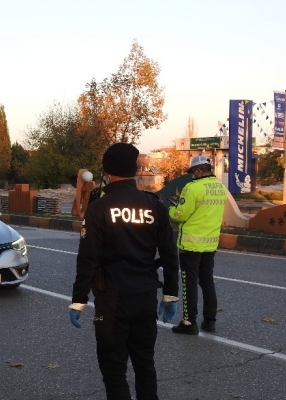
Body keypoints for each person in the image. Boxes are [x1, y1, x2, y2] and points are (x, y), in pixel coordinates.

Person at [68, 143, 180, 400]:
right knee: (145, 365)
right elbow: (169, 254)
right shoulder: (154, 206)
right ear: (135, 171)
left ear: (106, 172)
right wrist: (171, 294)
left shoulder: (100, 208)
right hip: (145, 296)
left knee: (114, 369)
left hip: (112, 298)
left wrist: (79, 300)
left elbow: (88, 258)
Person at [168, 154, 226, 335]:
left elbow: (180, 215)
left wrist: (171, 209)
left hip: (191, 244)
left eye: (193, 172)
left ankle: (188, 322)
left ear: (199, 171)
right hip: (210, 244)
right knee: (207, 281)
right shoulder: (220, 187)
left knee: (189, 283)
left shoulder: (192, 188)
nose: (192, 175)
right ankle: (210, 321)